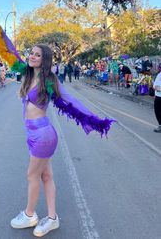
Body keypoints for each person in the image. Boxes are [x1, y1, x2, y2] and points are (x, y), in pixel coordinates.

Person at [10, 44, 115, 237]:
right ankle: (52, 218)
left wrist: (95, 120)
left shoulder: (49, 79)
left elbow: (71, 100)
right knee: (46, 176)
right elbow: (11, 51)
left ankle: (29, 214)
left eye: (37, 55)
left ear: (45, 59)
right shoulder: (27, 74)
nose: (32, 56)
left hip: (43, 134)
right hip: (33, 133)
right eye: (31, 53)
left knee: (31, 176)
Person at [153, 63, 161, 133]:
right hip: (158, 96)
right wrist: (155, 87)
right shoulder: (159, 75)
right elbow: (154, 85)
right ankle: (160, 125)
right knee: (157, 111)